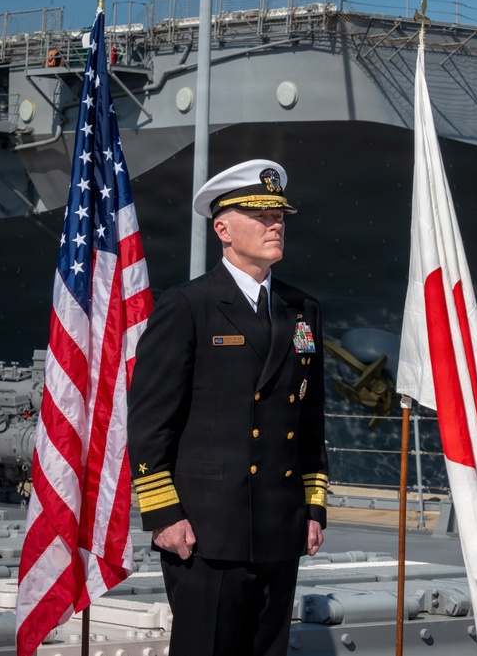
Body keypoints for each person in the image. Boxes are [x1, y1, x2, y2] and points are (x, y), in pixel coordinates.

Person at [127, 159, 328, 656]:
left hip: (280, 526)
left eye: (279, 215)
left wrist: (313, 507)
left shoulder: (303, 309)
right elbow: (151, 422)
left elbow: (309, 419)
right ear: (223, 228)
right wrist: (163, 516)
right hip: (205, 532)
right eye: (261, 216)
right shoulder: (188, 307)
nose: (275, 224)